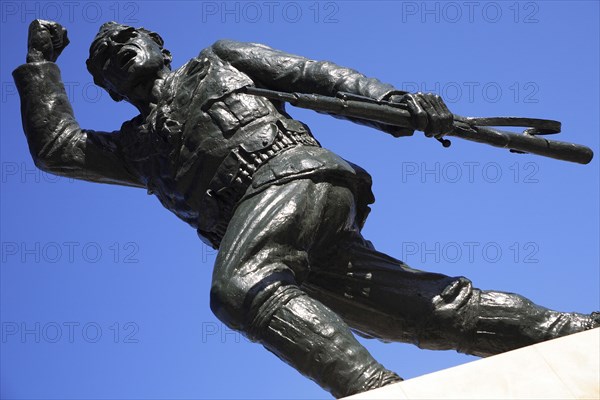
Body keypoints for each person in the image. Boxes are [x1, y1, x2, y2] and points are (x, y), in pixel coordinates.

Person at [14, 19, 599, 398]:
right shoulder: (134, 147)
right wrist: (42, 64)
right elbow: (58, 150)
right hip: (277, 240)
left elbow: (319, 78)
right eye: (103, 60)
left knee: (240, 287)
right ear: (110, 90)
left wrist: (398, 105)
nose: (116, 50)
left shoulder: (217, 60)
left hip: (296, 180)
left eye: (125, 39)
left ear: (159, 46)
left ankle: (375, 391)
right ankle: (569, 330)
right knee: (427, 315)